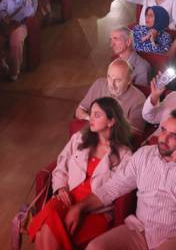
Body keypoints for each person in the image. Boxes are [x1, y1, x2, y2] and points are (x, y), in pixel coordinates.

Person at [65, 110, 176, 250]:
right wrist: (81, 207)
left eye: (174, 136)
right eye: (163, 130)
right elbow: (114, 186)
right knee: (95, 247)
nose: (164, 139)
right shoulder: (144, 155)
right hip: (141, 229)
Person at [29, 98, 135, 250]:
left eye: (97, 115)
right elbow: (61, 166)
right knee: (49, 218)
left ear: (111, 121)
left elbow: (115, 189)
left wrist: (82, 208)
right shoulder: (78, 139)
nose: (90, 118)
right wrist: (61, 188)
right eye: (91, 113)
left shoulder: (125, 155)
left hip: (96, 211)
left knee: (43, 233)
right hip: (66, 199)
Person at [76, 59, 147, 133]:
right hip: (91, 134)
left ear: (129, 80)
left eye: (118, 80)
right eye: (109, 77)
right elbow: (79, 111)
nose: (112, 84)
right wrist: (91, 119)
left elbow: (136, 133)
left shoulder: (138, 99)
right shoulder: (99, 84)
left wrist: (105, 125)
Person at [0, 0, 38, 82]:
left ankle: (14, 71)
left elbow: (30, 14)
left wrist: (28, 2)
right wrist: (5, 16)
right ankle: (2, 64)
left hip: (20, 25)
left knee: (15, 43)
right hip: (5, 24)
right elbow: (0, 9)